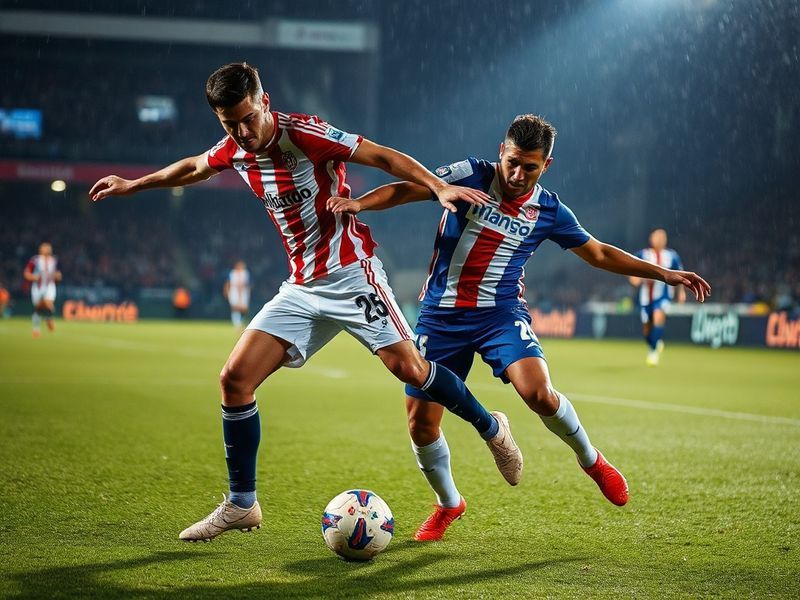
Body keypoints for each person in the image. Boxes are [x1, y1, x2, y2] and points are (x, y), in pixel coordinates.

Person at [88, 62, 523, 542]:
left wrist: (438, 186)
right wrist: (135, 184)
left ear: (265, 102)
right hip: (300, 287)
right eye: (230, 124)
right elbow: (192, 166)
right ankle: (241, 504)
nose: (242, 131)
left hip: (351, 273)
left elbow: (379, 155)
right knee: (234, 380)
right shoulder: (234, 148)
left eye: (248, 118)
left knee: (411, 370)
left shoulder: (305, 134)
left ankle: (491, 427)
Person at [328, 114, 711, 541]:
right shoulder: (470, 174)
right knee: (421, 424)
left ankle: (591, 460)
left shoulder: (548, 209)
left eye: (530, 167)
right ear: (501, 152)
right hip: (441, 315)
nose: (517, 173)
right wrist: (360, 204)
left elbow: (598, 253)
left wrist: (664, 275)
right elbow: (407, 189)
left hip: (500, 314)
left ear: (546, 165)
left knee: (539, 393)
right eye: (512, 162)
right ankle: (449, 504)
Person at [628, 229, 685, 366]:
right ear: (651, 238)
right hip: (646, 298)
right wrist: (633, 278)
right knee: (647, 330)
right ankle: (655, 342)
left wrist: (681, 292)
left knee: (658, 316)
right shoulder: (644, 254)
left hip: (664, 295)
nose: (659, 239)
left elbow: (680, 274)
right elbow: (631, 267)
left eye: (662, 237)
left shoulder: (671, 256)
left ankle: (653, 352)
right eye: (656, 236)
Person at [23, 242, 62, 338]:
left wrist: (58, 277)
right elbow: (26, 273)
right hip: (38, 287)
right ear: (41, 250)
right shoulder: (35, 260)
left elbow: (57, 274)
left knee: (49, 303)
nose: (47, 250)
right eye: (45, 248)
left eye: (48, 248)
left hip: (49, 285)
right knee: (38, 308)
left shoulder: (53, 260)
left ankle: (49, 318)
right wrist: (33, 277)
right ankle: (36, 329)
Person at [224, 260, 250, 328]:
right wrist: (226, 291)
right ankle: (236, 323)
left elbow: (247, 284)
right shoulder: (232, 273)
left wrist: (248, 292)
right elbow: (228, 283)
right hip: (234, 291)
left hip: (243, 292)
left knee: (244, 308)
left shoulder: (245, 273)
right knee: (235, 307)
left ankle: (241, 321)